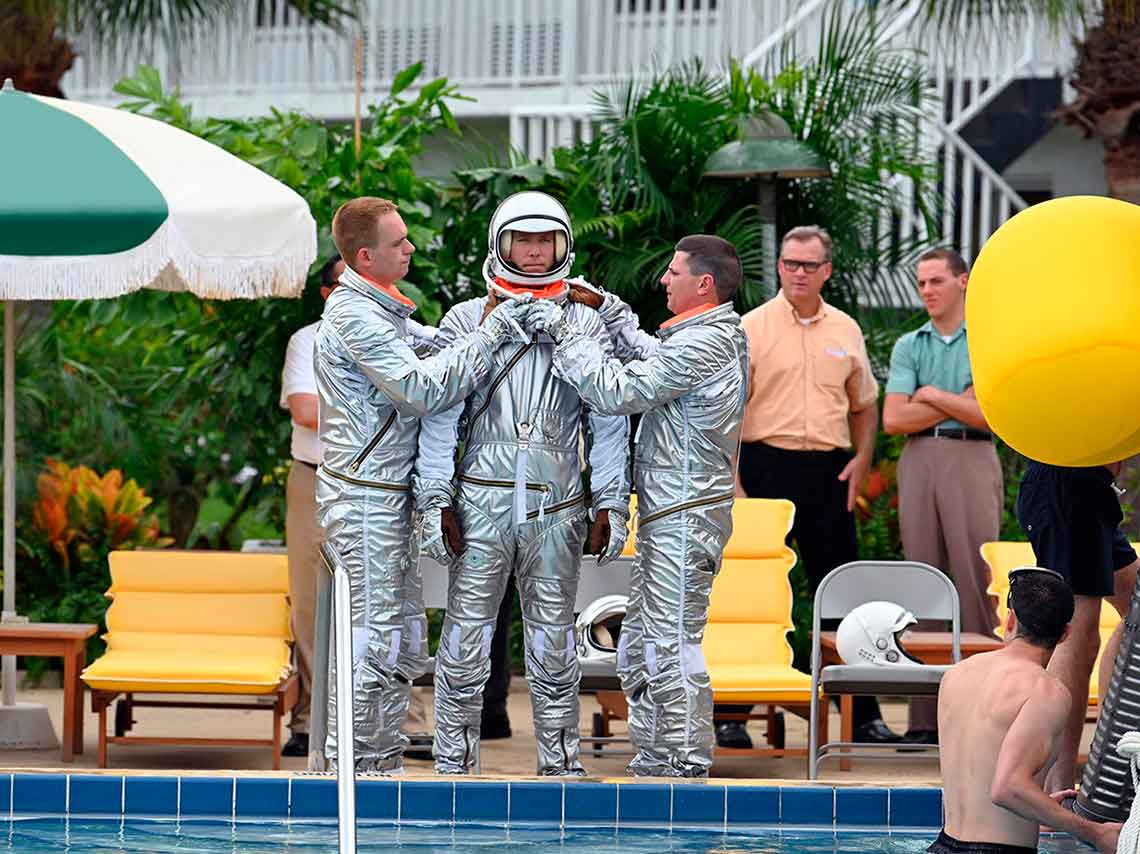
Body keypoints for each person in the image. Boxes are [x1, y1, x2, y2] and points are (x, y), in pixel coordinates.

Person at [414, 191, 630, 776]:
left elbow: (608, 421)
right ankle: (451, 766)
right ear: (499, 244)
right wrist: (435, 498)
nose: (534, 254)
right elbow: (439, 416)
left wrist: (611, 499)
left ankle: (560, 768)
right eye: (522, 241)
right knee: (462, 640)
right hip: (479, 493)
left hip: (560, 501)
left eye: (546, 241)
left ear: (564, 245)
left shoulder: (587, 319)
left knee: (555, 643)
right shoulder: (468, 317)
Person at [314, 196, 533, 772]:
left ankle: (379, 766)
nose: (410, 248)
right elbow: (422, 389)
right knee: (373, 641)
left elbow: (435, 344)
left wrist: (491, 317)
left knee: (404, 640)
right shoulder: (355, 316)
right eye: (398, 242)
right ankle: (351, 771)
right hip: (363, 496)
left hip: (388, 497)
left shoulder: (384, 310)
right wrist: (490, 336)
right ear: (365, 256)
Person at [533, 234, 749, 778]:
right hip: (673, 513)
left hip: (685, 513)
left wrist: (567, 333)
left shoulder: (707, 344)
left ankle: (683, 762)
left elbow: (617, 391)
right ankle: (657, 756)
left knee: (671, 638)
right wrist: (605, 308)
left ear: (704, 284)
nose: (662, 280)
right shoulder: (705, 337)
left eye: (673, 272)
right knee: (645, 639)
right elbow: (650, 353)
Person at [733, 225, 895, 747]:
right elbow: (727, 412)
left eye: (808, 265)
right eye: (789, 263)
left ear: (826, 270)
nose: (798, 273)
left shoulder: (846, 328)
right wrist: (734, 480)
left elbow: (865, 403)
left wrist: (863, 457)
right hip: (762, 468)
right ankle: (732, 715)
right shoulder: (750, 327)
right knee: (752, 595)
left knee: (842, 591)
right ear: (779, 267)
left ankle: (862, 713)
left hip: (828, 471)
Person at [882, 248, 1002, 745]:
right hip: (918, 462)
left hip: (972, 458)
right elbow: (893, 420)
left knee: (975, 580)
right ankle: (924, 721)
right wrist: (954, 401)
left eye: (936, 281)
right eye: (921, 283)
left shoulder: (988, 341)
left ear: (963, 281)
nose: (927, 290)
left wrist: (926, 395)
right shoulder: (910, 344)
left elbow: (985, 415)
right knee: (922, 582)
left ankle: (983, 713)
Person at [935, 566, 1121, 854]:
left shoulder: (957, 674)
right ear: (1065, 634)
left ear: (1010, 620)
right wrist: (1095, 833)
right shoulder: (1047, 692)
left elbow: (984, 776)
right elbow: (1008, 788)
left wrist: (1039, 808)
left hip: (942, 845)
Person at [1017, 458, 1140, 791]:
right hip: (1067, 485)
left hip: (1089, 488)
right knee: (1077, 637)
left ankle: (1109, 747)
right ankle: (1054, 785)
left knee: (1137, 614)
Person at [279, 255, 343, 757]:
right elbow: (304, 411)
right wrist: (377, 407)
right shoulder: (308, 340)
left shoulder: (404, 333)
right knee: (308, 603)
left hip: (381, 483)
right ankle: (311, 720)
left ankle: (402, 719)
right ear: (326, 294)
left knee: (388, 601)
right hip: (314, 479)